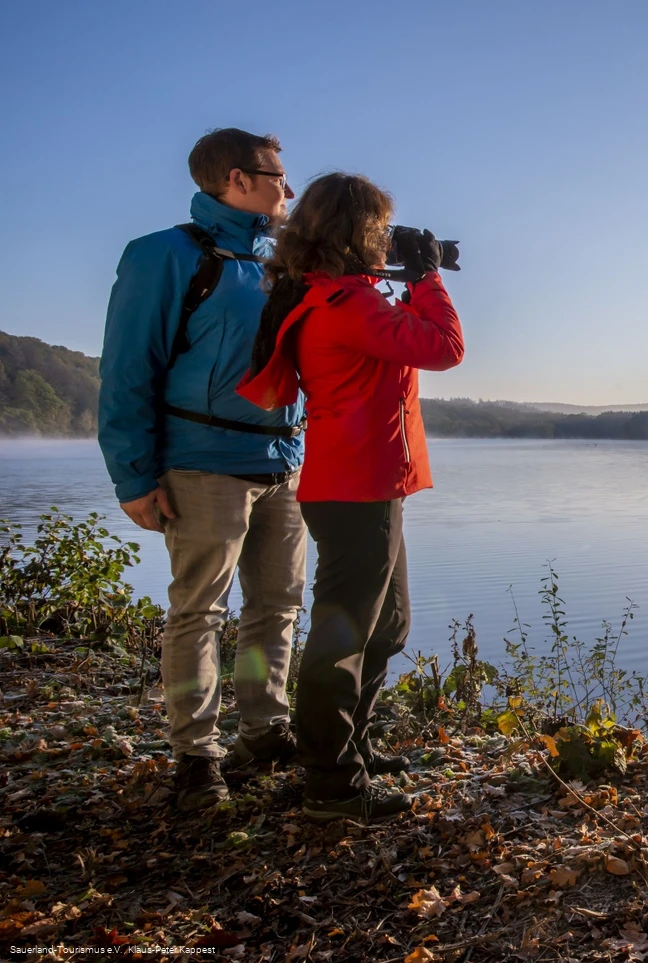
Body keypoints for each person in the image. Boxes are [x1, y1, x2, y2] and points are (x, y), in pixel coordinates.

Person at [239, 172, 464, 822]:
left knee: (386, 627)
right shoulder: (344, 305)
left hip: (369, 486)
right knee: (342, 638)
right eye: (381, 229)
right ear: (356, 232)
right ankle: (331, 782)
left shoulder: (343, 296)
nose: (387, 239)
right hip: (356, 489)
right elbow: (444, 347)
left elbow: (408, 340)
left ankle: (350, 750)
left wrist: (410, 278)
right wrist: (428, 277)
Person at [98, 128, 306, 812]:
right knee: (200, 612)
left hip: (283, 464)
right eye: (276, 176)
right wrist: (134, 476)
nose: (289, 188)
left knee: (278, 607)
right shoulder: (165, 254)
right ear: (236, 180)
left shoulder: (284, 262)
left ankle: (265, 730)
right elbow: (128, 370)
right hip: (203, 465)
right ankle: (196, 756)